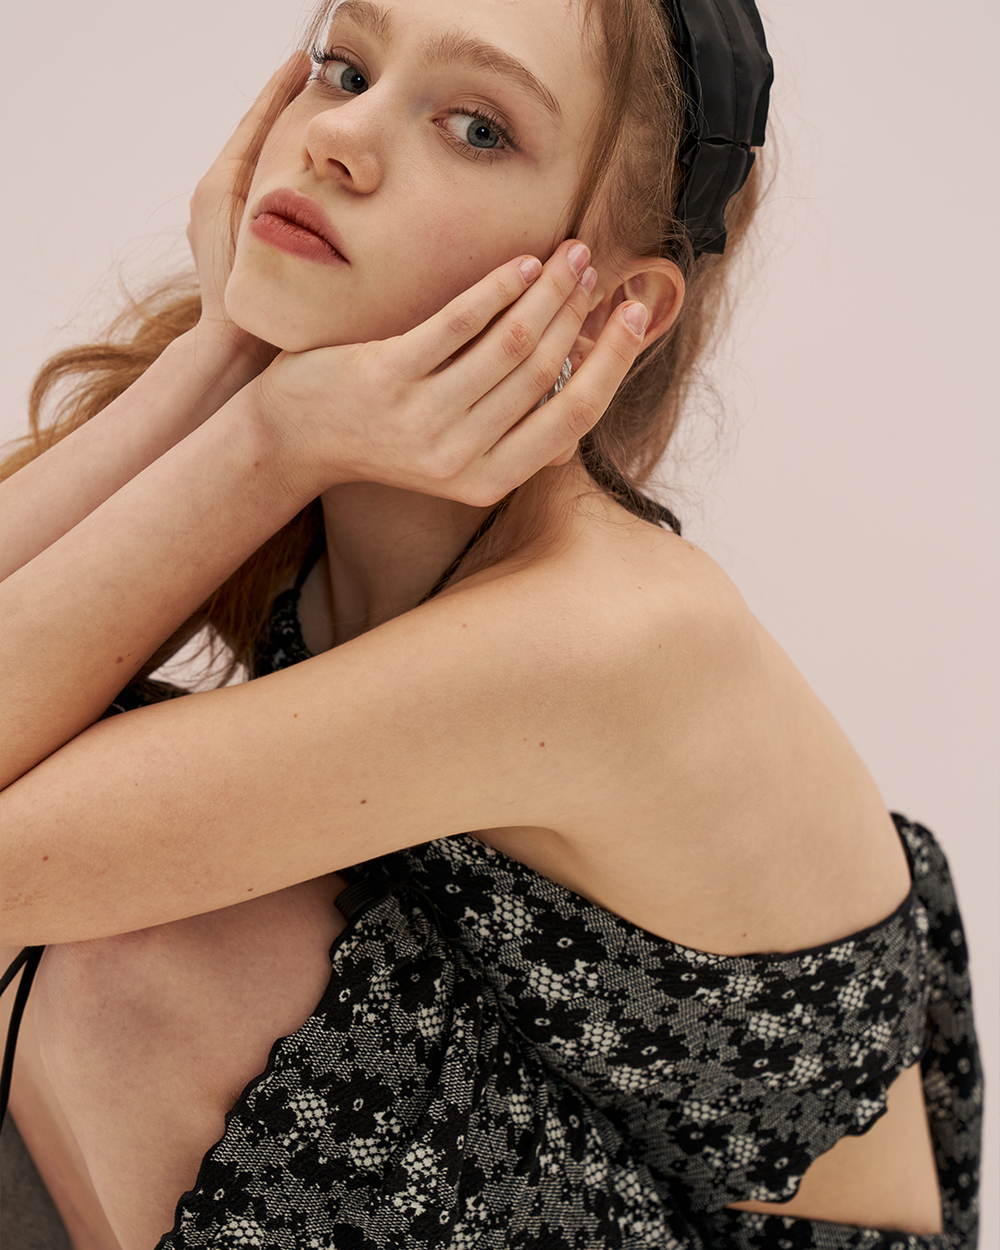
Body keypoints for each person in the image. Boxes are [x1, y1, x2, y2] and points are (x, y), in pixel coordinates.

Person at [0, 0, 982, 1247]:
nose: (340, 137)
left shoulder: (599, 633)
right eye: (344, 67)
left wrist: (268, 436)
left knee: (146, 966)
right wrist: (221, 354)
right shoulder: (339, 498)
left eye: (475, 127)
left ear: (613, 305)